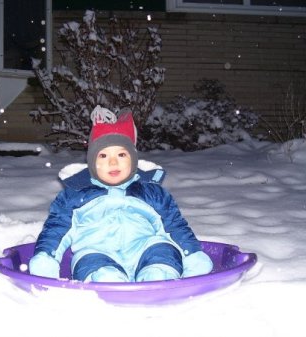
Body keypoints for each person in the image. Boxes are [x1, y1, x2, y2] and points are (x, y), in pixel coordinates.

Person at [29, 106, 213, 282]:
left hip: (145, 247)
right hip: (97, 251)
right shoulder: (75, 195)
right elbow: (56, 229)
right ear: (92, 161)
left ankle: (158, 277)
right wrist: (47, 256)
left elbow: (175, 227)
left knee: (163, 251)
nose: (113, 163)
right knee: (94, 267)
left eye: (121, 155)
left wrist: (192, 254)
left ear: (133, 160)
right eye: (103, 156)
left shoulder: (151, 193)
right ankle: (106, 281)